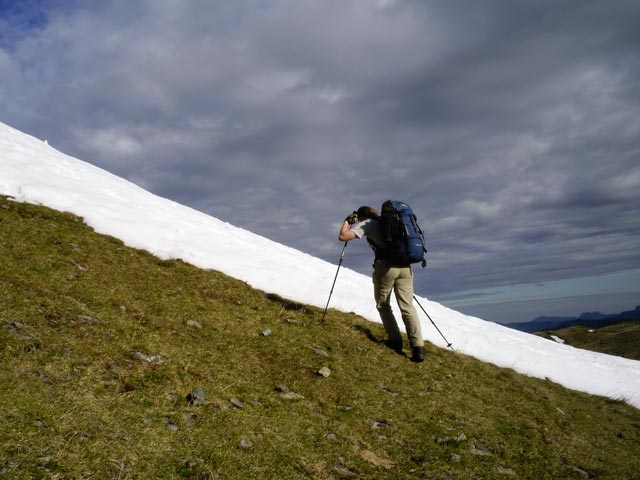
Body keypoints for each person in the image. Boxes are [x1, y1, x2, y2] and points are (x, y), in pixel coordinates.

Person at [338, 206, 426, 362]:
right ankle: (418, 348)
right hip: (405, 267)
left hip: (386, 267)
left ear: (362, 216)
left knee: (383, 304)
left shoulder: (368, 224)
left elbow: (343, 236)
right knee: (407, 306)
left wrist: (347, 221)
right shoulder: (390, 223)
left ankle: (395, 340)